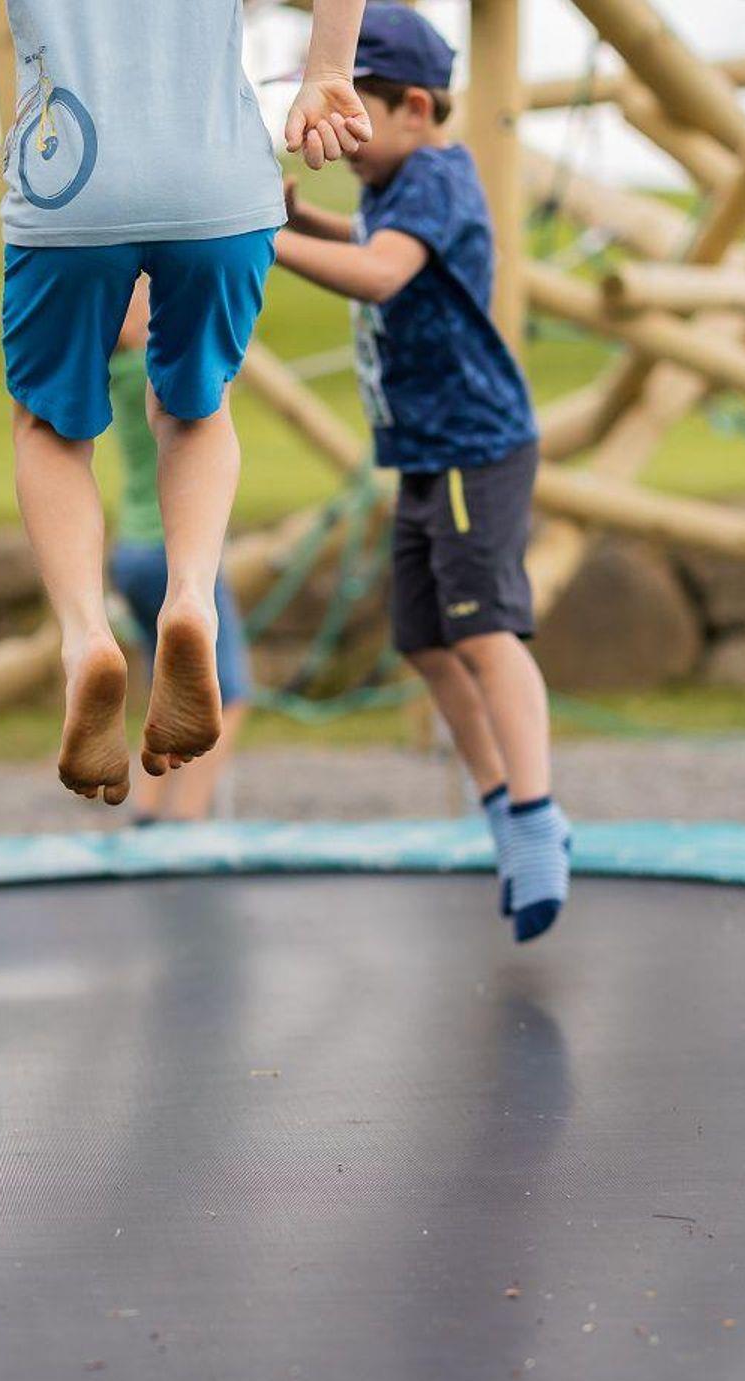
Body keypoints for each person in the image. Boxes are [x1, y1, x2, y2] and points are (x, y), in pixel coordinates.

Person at [0, 0, 370, 805]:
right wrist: (327, 71)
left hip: (69, 187)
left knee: (48, 430)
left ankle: (85, 643)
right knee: (195, 410)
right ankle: (193, 604)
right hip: (217, 185)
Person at [271, 6, 572, 941]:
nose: (334, 139)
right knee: (425, 642)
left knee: (484, 633)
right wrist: (296, 217)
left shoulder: (437, 178)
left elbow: (381, 275)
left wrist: (262, 244)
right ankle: (500, 803)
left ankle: (537, 816)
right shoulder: (394, 182)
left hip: (474, 447)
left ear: (411, 107)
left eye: (349, 116)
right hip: (423, 453)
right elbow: (368, 239)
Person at [107, 283, 253, 823]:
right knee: (227, 694)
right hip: (177, 552)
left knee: (165, 689)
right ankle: (188, 815)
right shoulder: (165, 372)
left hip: (130, 553)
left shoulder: (116, 372)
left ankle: (147, 807)